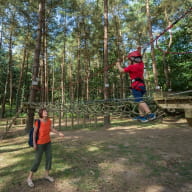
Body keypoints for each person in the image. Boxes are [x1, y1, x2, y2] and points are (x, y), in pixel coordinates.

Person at [116, 48, 156, 123]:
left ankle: (150, 114)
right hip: (141, 85)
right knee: (139, 101)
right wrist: (138, 50)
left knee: (139, 101)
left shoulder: (132, 67)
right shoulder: (141, 65)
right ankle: (142, 117)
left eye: (129, 60)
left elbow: (121, 70)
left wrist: (118, 65)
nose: (129, 61)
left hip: (136, 86)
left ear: (132, 59)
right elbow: (138, 56)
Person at [27, 108, 64, 187]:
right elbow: (34, 133)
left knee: (49, 158)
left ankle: (46, 175)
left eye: (46, 111)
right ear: (41, 113)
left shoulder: (49, 120)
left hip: (48, 143)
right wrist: (34, 143)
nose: (46, 112)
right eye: (44, 112)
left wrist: (58, 133)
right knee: (37, 161)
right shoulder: (38, 122)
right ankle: (29, 178)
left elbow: (51, 129)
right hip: (40, 144)